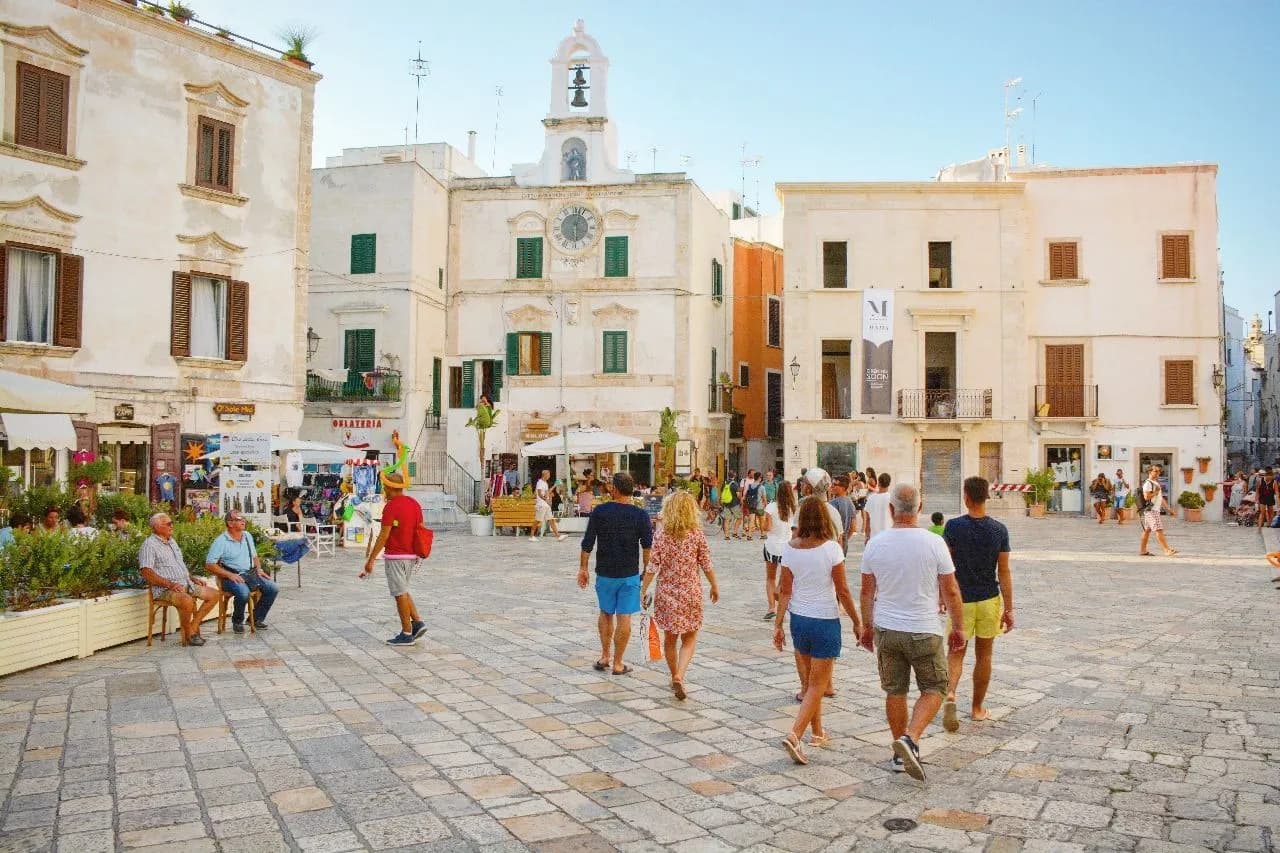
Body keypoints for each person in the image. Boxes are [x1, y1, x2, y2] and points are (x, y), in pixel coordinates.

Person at [858, 483, 965, 781]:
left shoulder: (875, 544)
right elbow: (951, 591)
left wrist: (866, 627)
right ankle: (910, 738)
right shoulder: (934, 543)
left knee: (895, 691)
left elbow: (867, 593)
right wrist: (958, 627)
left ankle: (899, 753)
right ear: (919, 508)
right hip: (924, 629)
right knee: (935, 687)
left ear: (891, 510)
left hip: (888, 629)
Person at [773, 496, 862, 765]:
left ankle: (818, 732)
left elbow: (784, 591)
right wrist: (857, 622)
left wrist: (777, 625)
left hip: (798, 619)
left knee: (811, 683)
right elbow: (843, 590)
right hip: (824, 620)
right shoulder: (832, 549)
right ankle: (795, 734)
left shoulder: (789, 549)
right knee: (818, 685)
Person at [941, 477, 1013, 733]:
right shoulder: (999, 530)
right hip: (988, 598)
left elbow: (946, 567)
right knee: (984, 655)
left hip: (961, 599)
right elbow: (1003, 571)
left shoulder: (953, 527)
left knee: (956, 652)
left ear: (966, 497)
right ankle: (977, 708)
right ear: (986, 497)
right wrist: (1010, 608)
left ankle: (950, 693)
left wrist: (942, 596)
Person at [641, 491, 719, 700]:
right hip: (690, 591)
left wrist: (643, 590)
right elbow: (706, 563)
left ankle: (673, 673)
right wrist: (714, 585)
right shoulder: (696, 534)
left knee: (670, 637)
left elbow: (652, 566)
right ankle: (680, 675)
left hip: (666, 592)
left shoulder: (661, 534)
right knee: (690, 636)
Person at [579, 472, 653, 675]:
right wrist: (646, 574)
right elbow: (647, 549)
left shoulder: (600, 511)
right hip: (629, 574)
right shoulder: (641, 515)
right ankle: (618, 663)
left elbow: (587, 543)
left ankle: (605, 656)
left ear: (615, 489)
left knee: (605, 613)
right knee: (625, 617)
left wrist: (583, 569)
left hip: (605, 572)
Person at [360, 441, 427, 645]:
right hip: (411, 555)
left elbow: (384, 536)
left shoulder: (391, 507)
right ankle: (417, 622)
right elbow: (420, 528)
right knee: (403, 589)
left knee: (399, 594)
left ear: (389, 487)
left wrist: (370, 559)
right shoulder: (414, 504)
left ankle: (406, 633)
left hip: (396, 555)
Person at [139, 512, 220, 646]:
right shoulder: (149, 545)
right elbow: (146, 572)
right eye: (168, 524)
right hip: (165, 589)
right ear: (157, 527)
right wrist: (170, 584)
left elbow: (179, 566)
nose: (172, 526)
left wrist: (192, 578)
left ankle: (192, 628)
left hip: (185, 583)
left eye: (172, 523)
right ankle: (190, 634)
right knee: (187, 600)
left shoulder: (172, 541)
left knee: (214, 594)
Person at [205, 511, 278, 634]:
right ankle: (237, 621)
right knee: (243, 592)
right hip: (229, 577)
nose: (243, 521)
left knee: (273, 588)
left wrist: (259, 569)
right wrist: (229, 575)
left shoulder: (247, 535)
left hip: (250, 574)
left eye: (243, 518)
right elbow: (209, 564)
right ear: (230, 523)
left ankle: (255, 618)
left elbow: (254, 556)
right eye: (239, 519)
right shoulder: (221, 541)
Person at [762, 480, 797, 620]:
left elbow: (768, 528)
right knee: (784, 576)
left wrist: (762, 525)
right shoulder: (794, 509)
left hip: (772, 546)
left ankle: (771, 607)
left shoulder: (771, 507)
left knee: (770, 577)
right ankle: (779, 590)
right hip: (787, 547)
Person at [1139, 465, 1178, 557]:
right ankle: (1166, 550)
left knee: (1147, 530)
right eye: (1155, 471)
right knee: (1159, 529)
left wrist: (1169, 509)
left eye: (1159, 471)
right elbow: (1146, 497)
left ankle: (1143, 550)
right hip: (1151, 510)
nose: (1158, 473)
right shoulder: (1148, 483)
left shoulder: (1155, 483)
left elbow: (1161, 498)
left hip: (1153, 510)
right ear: (1150, 472)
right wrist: (1156, 492)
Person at [532, 469, 568, 542]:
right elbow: (539, 494)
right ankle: (532, 535)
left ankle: (558, 536)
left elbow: (547, 492)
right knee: (538, 520)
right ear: (544, 475)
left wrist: (555, 485)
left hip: (546, 505)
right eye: (548, 475)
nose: (549, 476)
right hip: (541, 504)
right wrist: (546, 500)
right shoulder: (540, 483)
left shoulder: (545, 483)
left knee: (551, 520)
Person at [828, 475, 855, 554]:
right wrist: (845, 537)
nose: (832, 486)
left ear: (843, 488)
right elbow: (853, 526)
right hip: (844, 538)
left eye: (835, 485)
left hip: (833, 539)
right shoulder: (850, 502)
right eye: (832, 484)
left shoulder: (833, 503)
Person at [864, 472, 893, 543]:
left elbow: (867, 519)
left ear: (878, 483)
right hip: (889, 536)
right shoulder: (892, 498)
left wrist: (867, 536)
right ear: (889, 484)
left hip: (874, 537)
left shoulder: (871, 498)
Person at [720, 473, 742, 540]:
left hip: (726, 503)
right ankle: (735, 532)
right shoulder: (735, 484)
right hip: (734, 504)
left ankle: (726, 536)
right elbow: (738, 495)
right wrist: (740, 499)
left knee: (727, 519)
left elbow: (722, 492)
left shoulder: (725, 483)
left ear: (728, 476)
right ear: (734, 476)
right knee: (739, 518)